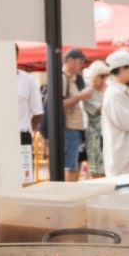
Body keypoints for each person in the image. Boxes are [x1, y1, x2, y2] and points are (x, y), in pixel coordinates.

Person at [56, 48, 93, 181]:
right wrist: (80, 97)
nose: (82, 65)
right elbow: (58, 105)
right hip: (69, 128)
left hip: (76, 128)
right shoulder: (62, 77)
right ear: (70, 61)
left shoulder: (75, 79)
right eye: (80, 62)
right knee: (70, 168)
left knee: (74, 167)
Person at [80, 60, 110, 180]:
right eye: (102, 76)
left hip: (107, 135)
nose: (104, 80)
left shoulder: (106, 91)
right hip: (95, 137)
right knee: (96, 171)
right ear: (94, 76)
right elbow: (100, 110)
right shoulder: (88, 93)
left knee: (108, 169)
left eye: (106, 76)